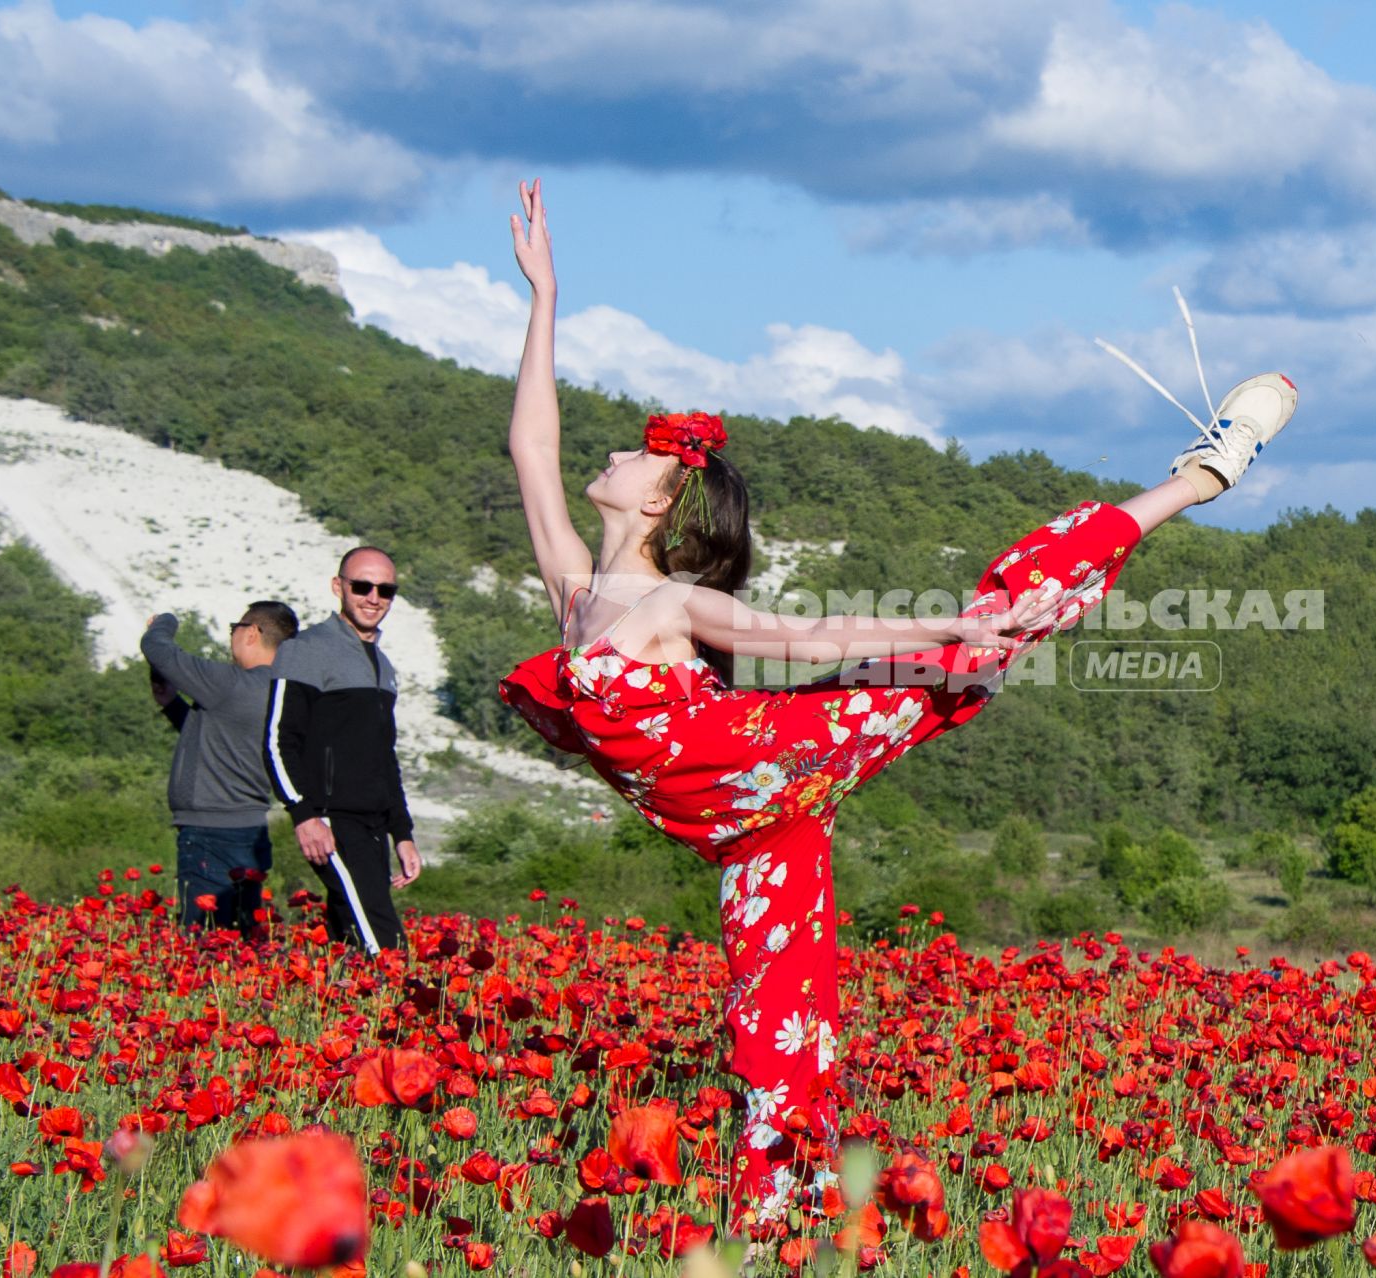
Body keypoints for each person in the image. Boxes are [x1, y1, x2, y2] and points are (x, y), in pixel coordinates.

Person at [494, 179, 1298, 1229]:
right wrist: (544, 295)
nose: (612, 451)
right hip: (748, 837)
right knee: (776, 1023)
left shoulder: (667, 602)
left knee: (984, 634)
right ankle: (782, 1216)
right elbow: (528, 447)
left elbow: (803, 643)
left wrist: (937, 636)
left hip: (779, 756)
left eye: (636, 453)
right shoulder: (576, 587)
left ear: (656, 501)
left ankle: (1194, 483)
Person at [265, 546, 422, 953]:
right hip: (330, 819)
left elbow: (384, 758)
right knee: (382, 942)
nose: (374, 598)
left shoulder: (382, 665)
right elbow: (277, 740)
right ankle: (401, 1014)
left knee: (350, 941)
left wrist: (401, 833)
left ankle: (338, 1014)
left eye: (385, 590)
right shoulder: (306, 649)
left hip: (372, 822)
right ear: (339, 587)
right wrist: (304, 814)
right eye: (363, 586)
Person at [141, 602, 298, 933]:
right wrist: (172, 705)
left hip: (210, 831)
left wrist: (164, 620)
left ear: (252, 633)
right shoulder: (280, 691)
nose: (232, 638)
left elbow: (156, 648)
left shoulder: (231, 683)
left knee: (206, 937)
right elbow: (224, 739)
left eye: (234, 629)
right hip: (247, 826)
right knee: (239, 933)